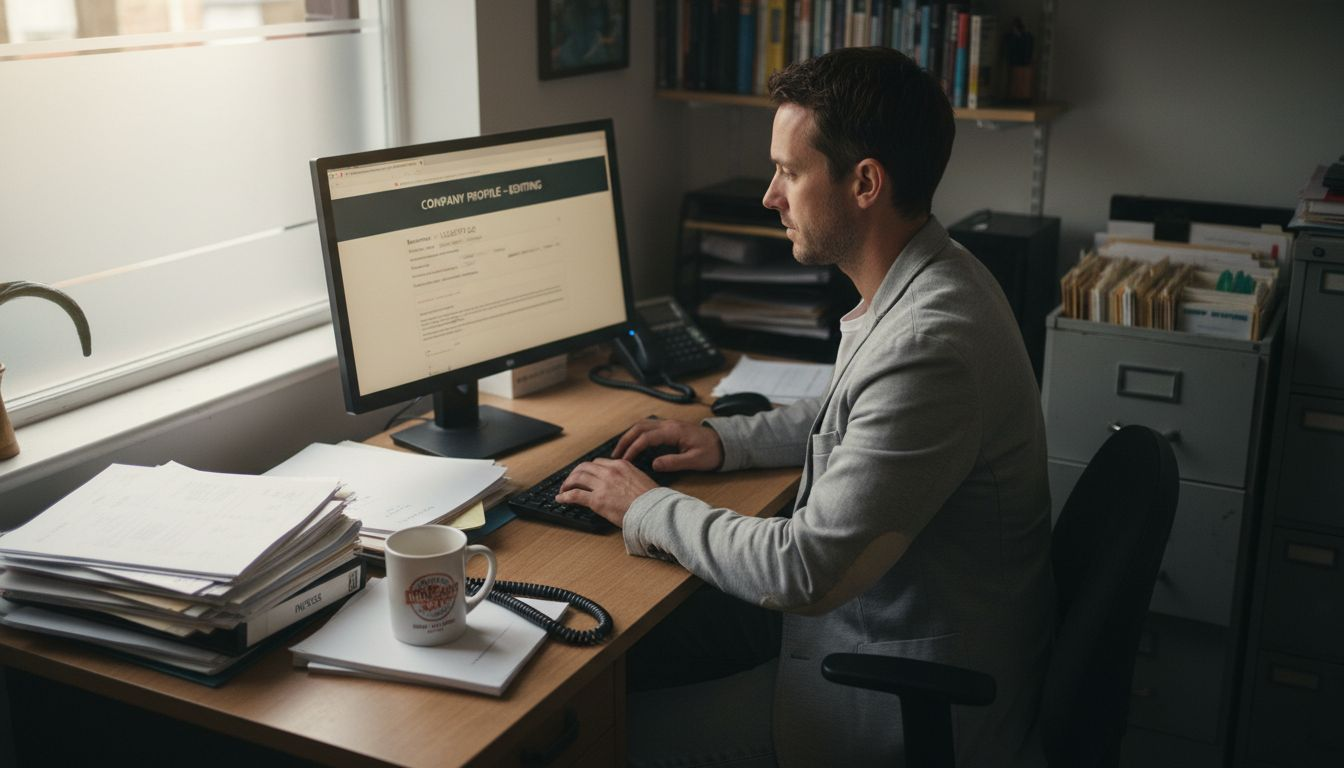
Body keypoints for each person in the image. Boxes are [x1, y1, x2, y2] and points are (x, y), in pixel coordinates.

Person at [557, 46, 1054, 767]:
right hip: (882, 624)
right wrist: (725, 441)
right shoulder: (937, 275)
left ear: (864, 183)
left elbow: (803, 569)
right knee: (643, 649)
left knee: (598, 741)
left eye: (789, 172)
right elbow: (850, 413)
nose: (770, 196)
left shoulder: (931, 345)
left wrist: (645, 509)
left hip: (899, 690)